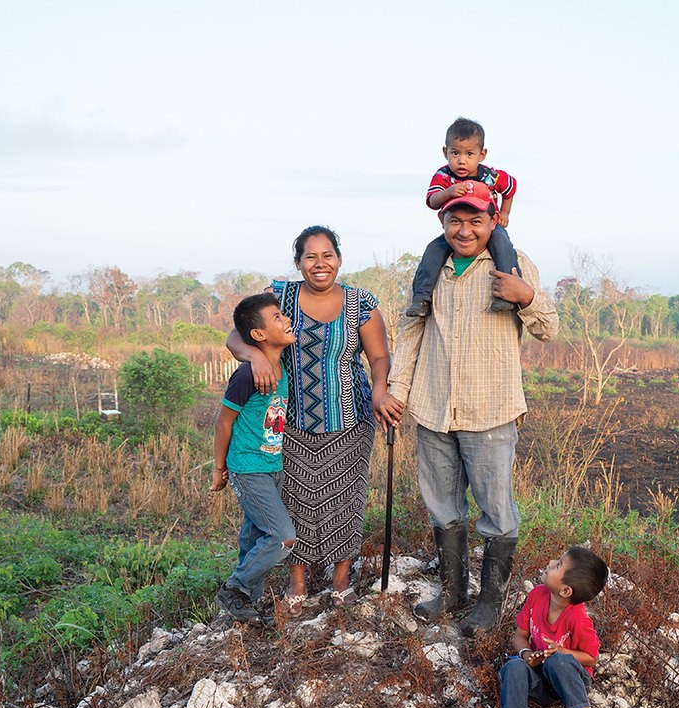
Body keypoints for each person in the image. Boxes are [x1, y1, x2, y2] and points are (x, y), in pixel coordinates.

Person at [388, 186, 558, 634]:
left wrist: (525, 296)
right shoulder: (433, 268)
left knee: (496, 511)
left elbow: (548, 329)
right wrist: (397, 390)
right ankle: (452, 591)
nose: (465, 231)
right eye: (455, 222)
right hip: (433, 405)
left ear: (491, 222)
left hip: (491, 408)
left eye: (475, 222)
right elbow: (412, 329)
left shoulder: (512, 262)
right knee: (442, 506)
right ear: (443, 223)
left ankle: (489, 604)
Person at [230, 226, 404, 610]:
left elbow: (379, 356)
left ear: (339, 259)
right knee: (294, 500)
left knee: (346, 499)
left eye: (328, 255)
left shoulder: (360, 302)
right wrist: (255, 356)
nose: (320, 264)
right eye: (311, 257)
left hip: (350, 418)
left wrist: (379, 391)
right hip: (288, 422)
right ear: (298, 263)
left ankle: (341, 578)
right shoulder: (280, 297)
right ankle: (299, 582)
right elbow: (236, 336)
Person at [210, 294, 297, 623]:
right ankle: (234, 589)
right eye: (277, 317)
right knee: (281, 536)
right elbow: (223, 421)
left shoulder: (280, 364)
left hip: (272, 465)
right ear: (259, 335)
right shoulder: (247, 375)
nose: (286, 320)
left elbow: (241, 336)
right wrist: (220, 469)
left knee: (254, 539)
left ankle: (248, 606)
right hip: (247, 468)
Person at [486, 546, 610, 708]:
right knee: (514, 666)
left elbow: (591, 658)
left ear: (565, 591)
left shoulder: (578, 618)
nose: (552, 561)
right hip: (541, 680)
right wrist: (526, 654)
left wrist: (562, 652)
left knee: (557, 661)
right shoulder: (537, 596)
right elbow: (520, 636)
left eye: (559, 564)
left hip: (569, 682)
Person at [406, 116, 519, 317]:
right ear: (445, 152)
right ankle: (422, 297)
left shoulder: (490, 176)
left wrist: (504, 212)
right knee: (434, 249)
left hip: (488, 225)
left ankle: (505, 293)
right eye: (455, 153)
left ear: (482, 154)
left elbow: (510, 187)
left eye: (469, 154)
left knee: (502, 244)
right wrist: (449, 192)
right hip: (454, 230)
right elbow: (432, 201)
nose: (461, 160)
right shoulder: (443, 176)